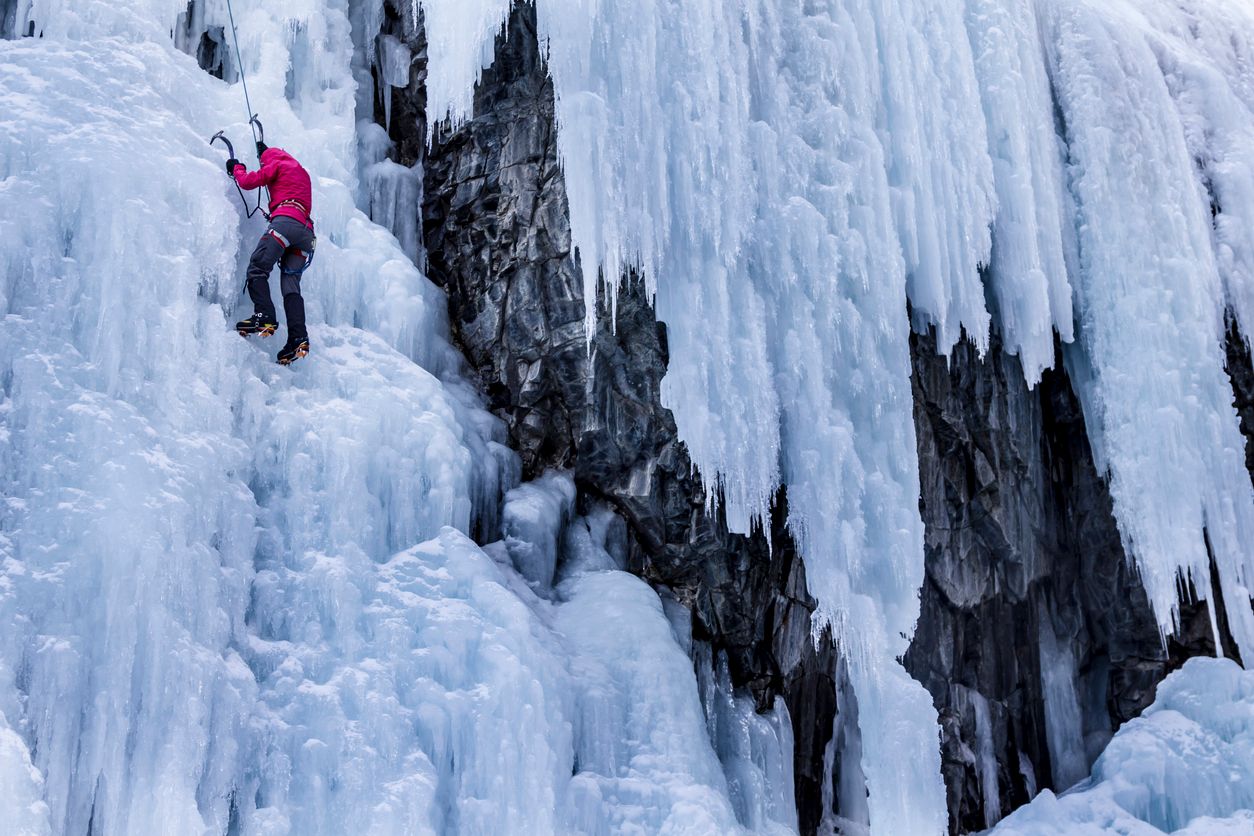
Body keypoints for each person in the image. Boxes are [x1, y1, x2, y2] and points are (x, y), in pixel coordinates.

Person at [227, 141, 317, 365]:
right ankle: (298, 338)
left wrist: (236, 168)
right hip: (306, 235)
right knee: (291, 286)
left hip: (285, 224)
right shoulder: (302, 173)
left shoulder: (276, 164)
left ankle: (264, 316)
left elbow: (248, 182)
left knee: (258, 267)